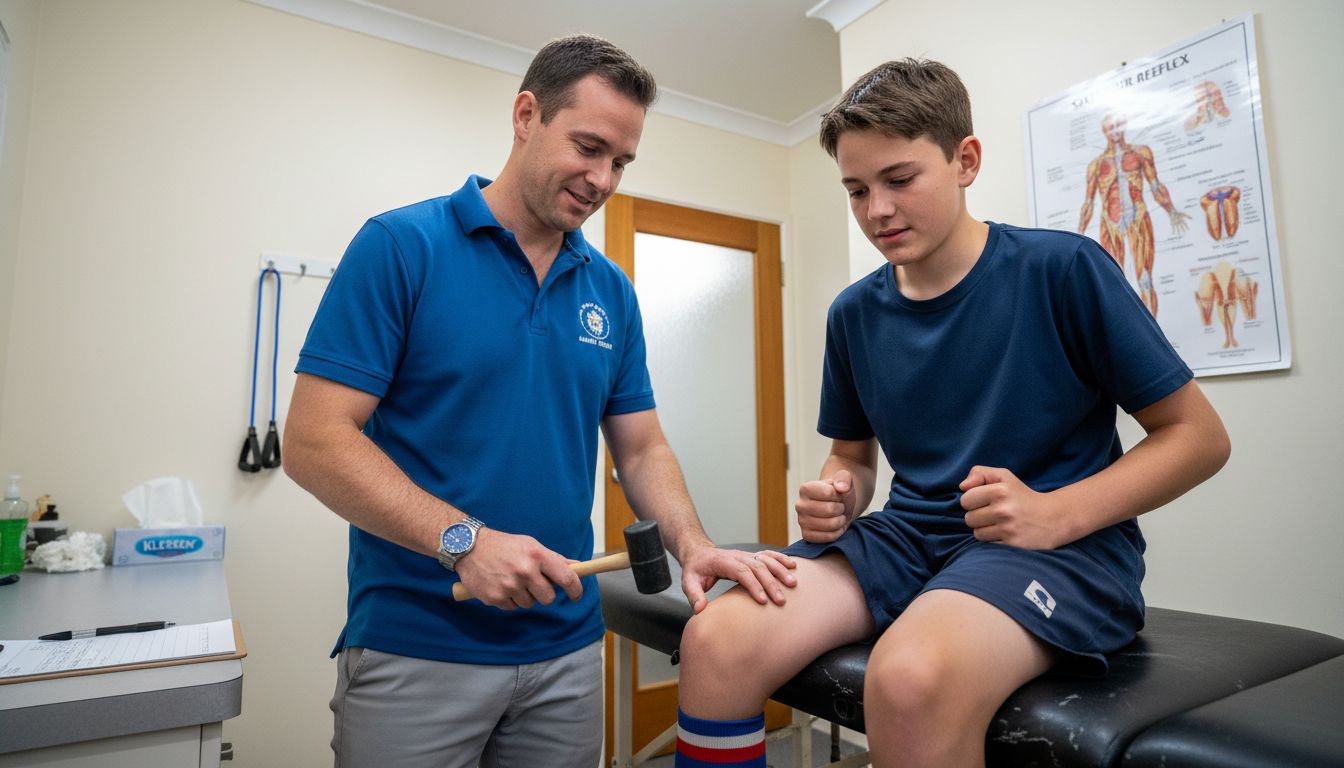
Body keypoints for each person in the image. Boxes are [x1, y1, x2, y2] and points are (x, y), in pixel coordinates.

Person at [674, 59, 1230, 768]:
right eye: (856, 190)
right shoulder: (853, 315)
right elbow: (852, 456)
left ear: (965, 160)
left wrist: (1056, 513)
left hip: (1063, 551)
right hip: (911, 538)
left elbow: (1199, 438)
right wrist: (839, 496)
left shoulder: (1062, 270)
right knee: (716, 639)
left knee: (909, 677)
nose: (877, 209)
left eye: (900, 180)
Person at [283, 34, 796, 768]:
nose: (603, 179)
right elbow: (313, 441)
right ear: (527, 115)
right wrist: (463, 542)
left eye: (620, 161)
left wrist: (694, 544)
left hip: (566, 655)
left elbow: (643, 447)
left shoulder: (611, 292)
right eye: (588, 147)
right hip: (417, 649)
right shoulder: (402, 247)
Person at [1078, 113, 1192, 318]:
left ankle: (1152, 338)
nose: (1114, 131)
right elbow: (1088, 202)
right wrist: (1078, 234)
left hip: (1138, 216)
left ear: (1123, 126)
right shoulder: (1095, 165)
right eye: (1109, 127)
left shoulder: (1141, 153)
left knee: (1145, 279)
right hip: (1110, 223)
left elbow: (1155, 185)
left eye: (1117, 125)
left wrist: (1171, 211)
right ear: (1104, 131)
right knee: (1113, 284)